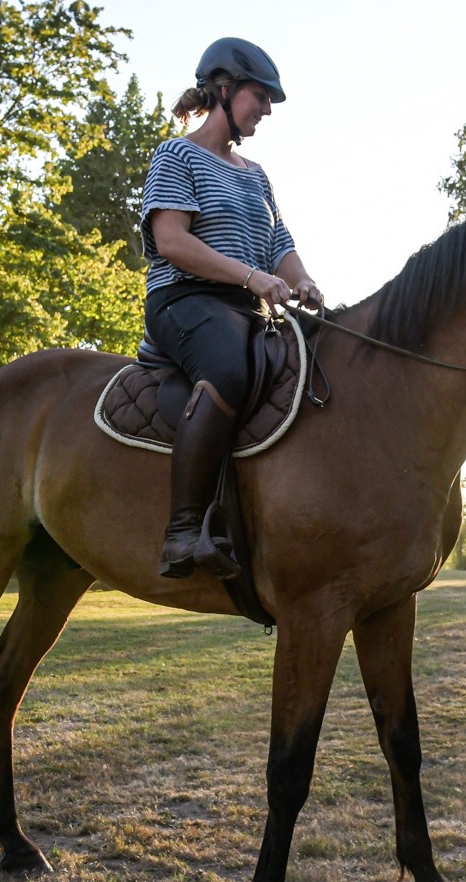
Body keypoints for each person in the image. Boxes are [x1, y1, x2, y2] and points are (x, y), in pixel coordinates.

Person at [140, 38, 324, 579]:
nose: (266, 109)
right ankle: (182, 531)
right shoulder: (177, 155)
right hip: (184, 299)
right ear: (223, 89)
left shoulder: (255, 174)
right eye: (259, 96)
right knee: (228, 368)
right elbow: (171, 240)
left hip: (246, 306)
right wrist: (250, 276)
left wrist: (304, 281)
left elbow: (279, 245)